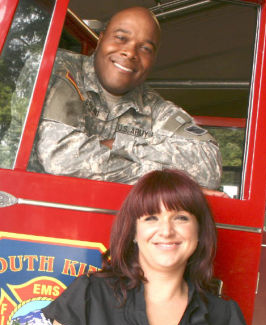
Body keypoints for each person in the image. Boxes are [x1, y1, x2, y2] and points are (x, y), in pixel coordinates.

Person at [38, 168, 258, 325]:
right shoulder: (89, 298)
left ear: (199, 232)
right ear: (134, 232)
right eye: (151, 217)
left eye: (181, 217)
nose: (166, 230)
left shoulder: (223, 317)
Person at [34, 6, 222, 189]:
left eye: (145, 48)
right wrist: (164, 180)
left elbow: (209, 168)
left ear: (153, 60)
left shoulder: (154, 107)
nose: (130, 53)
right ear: (100, 40)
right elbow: (62, 159)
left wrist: (120, 144)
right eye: (121, 38)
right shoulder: (62, 70)